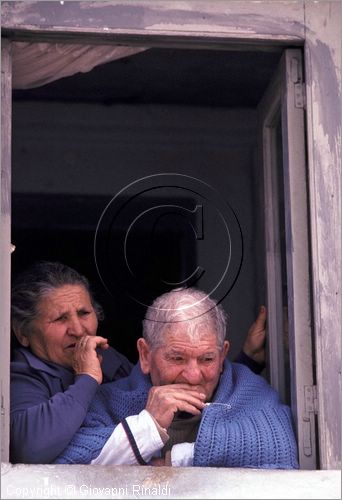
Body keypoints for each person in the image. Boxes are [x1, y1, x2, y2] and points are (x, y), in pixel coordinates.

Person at [10, 261, 266, 464]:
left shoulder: (106, 356)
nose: (78, 329)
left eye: (84, 313)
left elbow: (167, 382)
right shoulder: (19, 378)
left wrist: (245, 363)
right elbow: (31, 449)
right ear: (22, 332)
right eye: (60, 319)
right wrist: (87, 378)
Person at [54, 287, 298, 469]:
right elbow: (67, 462)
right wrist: (148, 426)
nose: (193, 376)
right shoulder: (108, 400)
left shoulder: (248, 390)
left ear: (223, 355)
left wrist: (176, 460)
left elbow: (282, 452)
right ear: (145, 354)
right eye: (177, 358)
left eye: (207, 359)